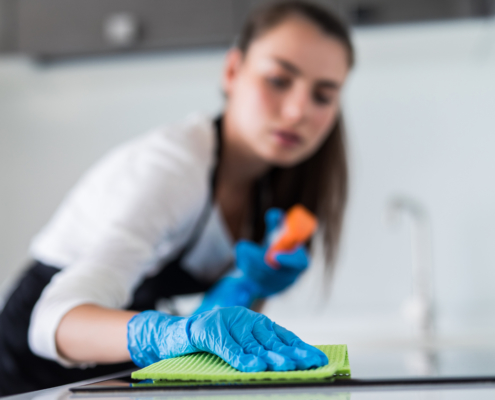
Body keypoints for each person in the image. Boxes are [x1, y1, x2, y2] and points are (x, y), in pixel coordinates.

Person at [0, 0, 354, 395]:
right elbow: (50, 322)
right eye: (278, 79)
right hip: (31, 371)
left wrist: (245, 289)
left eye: (322, 96)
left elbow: (214, 337)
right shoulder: (173, 167)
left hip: (118, 367)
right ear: (232, 71)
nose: (297, 112)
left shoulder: (273, 190)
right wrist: (174, 333)